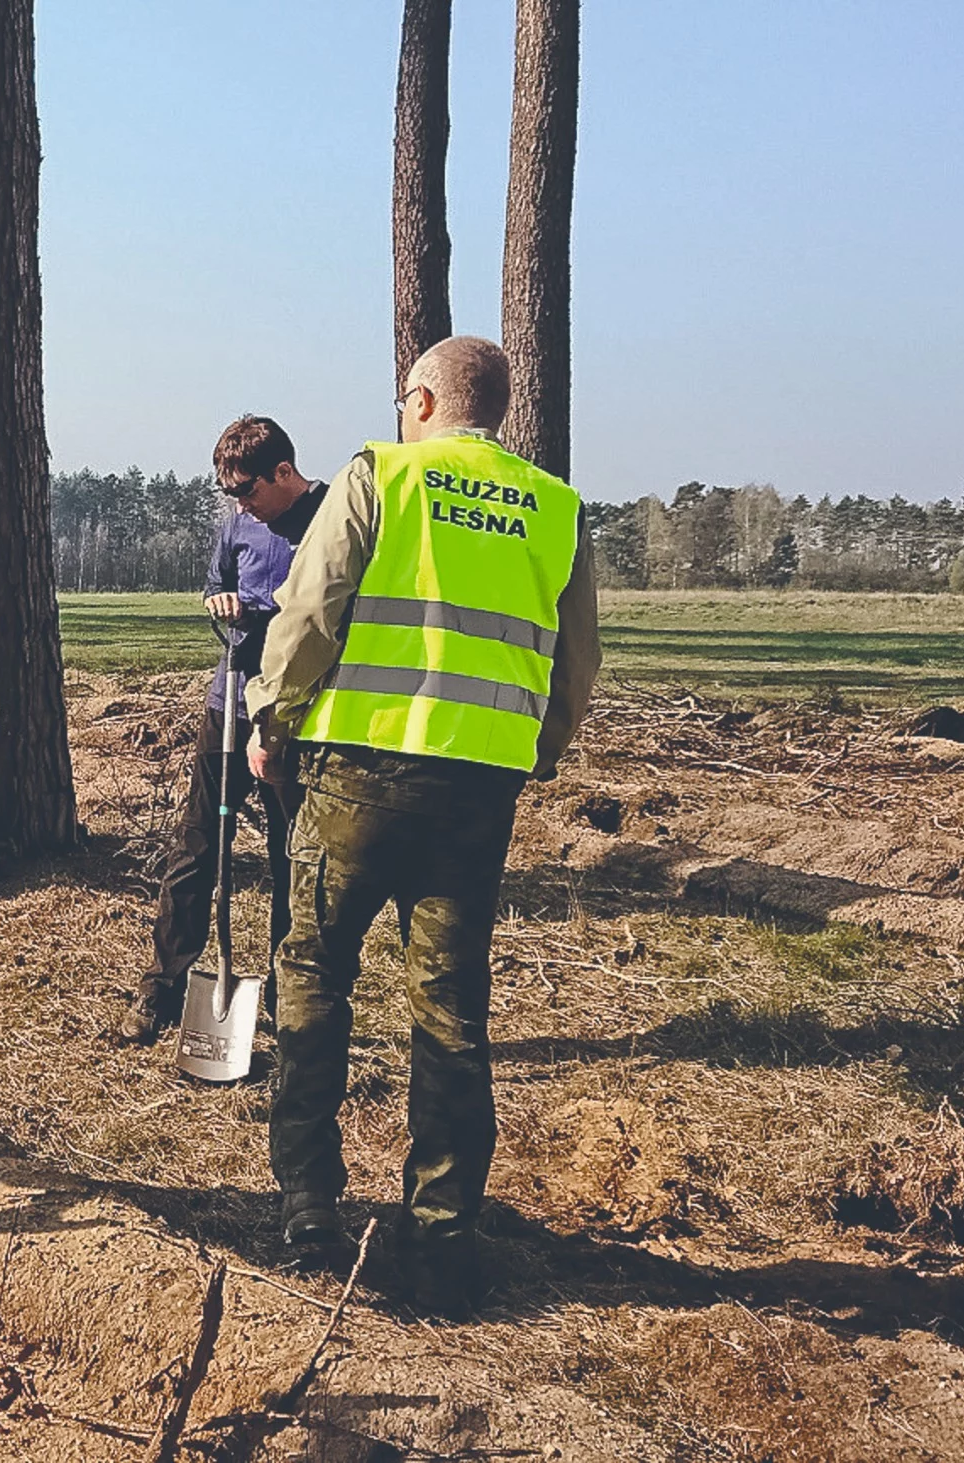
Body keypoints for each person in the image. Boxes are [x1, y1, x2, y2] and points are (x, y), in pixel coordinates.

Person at [246, 336, 601, 1318]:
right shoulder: (556, 510)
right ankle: (443, 1239)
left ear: (421, 400)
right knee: (449, 1009)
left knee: (312, 973)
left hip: (356, 773)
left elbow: (309, 611)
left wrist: (269, 713)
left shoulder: (379, 476)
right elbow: (571, 669)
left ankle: (309, 1209)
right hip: (475, 792)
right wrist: (533, 753)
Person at [114, 415, 327, 1046]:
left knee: (293, 857)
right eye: (229, 494)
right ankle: (161, 990)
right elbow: (217, 583)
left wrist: (261, 611)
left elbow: (325, 614)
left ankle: (290, 1002)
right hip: (228, 703)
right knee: (195, 848)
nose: (239, 505)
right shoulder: (237, 522)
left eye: (247, 491)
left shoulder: (329, 519)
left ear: (283, 473)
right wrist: (220, 600)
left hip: (296, 713)